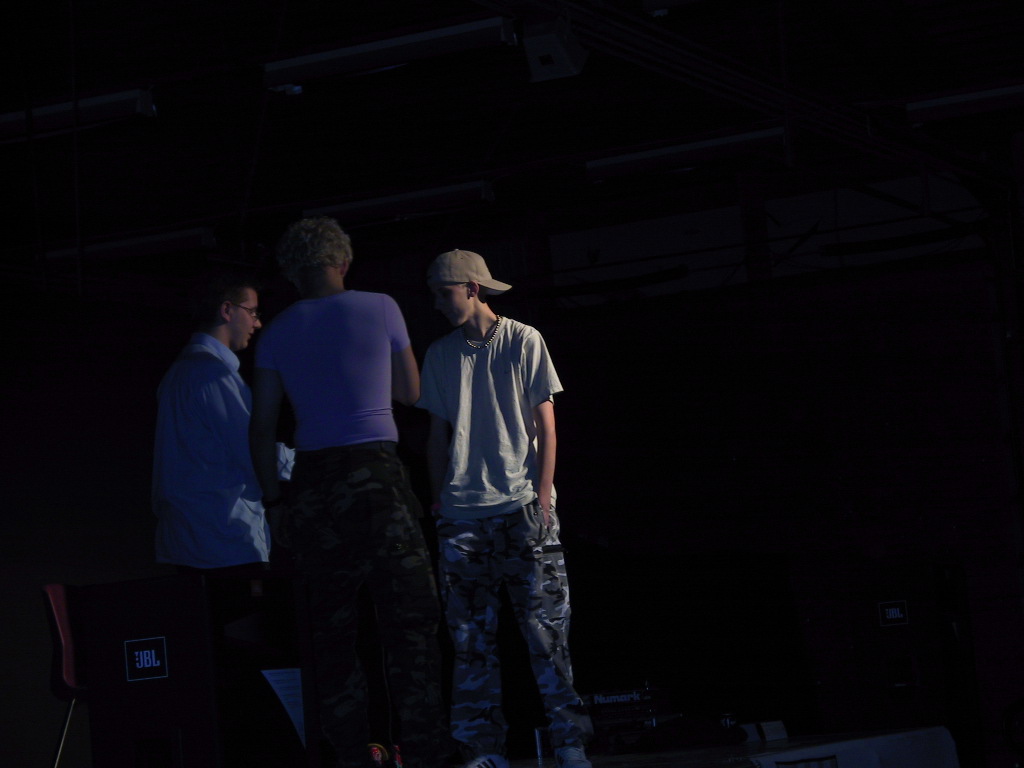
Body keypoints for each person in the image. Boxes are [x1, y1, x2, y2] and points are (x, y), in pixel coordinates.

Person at [249, 217, 448, 768]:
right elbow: (410, 391)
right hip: (376, 476)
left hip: (313, 485)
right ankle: (425, 752)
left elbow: (262, 428)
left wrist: (274, 502)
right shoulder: (380, 307)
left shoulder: (276, 332)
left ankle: (352, 757)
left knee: (330, 635)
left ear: (292, 273)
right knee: (410, 622)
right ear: (343, 262)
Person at [417, 249, 594, 768]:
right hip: (462, 514)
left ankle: (569, 741)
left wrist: (543, 497)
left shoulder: (523, 339)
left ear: (472, 289)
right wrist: (438, 497)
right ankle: (482, 750)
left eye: (444, 293)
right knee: (470, 640)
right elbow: (436, 434)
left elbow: (547, 426)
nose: (437, 303)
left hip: (521, 506)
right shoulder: (441, 353)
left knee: (547, 633)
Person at [152, 273, 293, 573]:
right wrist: (317, 460)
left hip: (189, 540)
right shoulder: (212, 374)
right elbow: (254, 448)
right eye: (252, 312)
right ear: (227, 310)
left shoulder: (181, 371)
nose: (257, 323)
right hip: (223, 541)